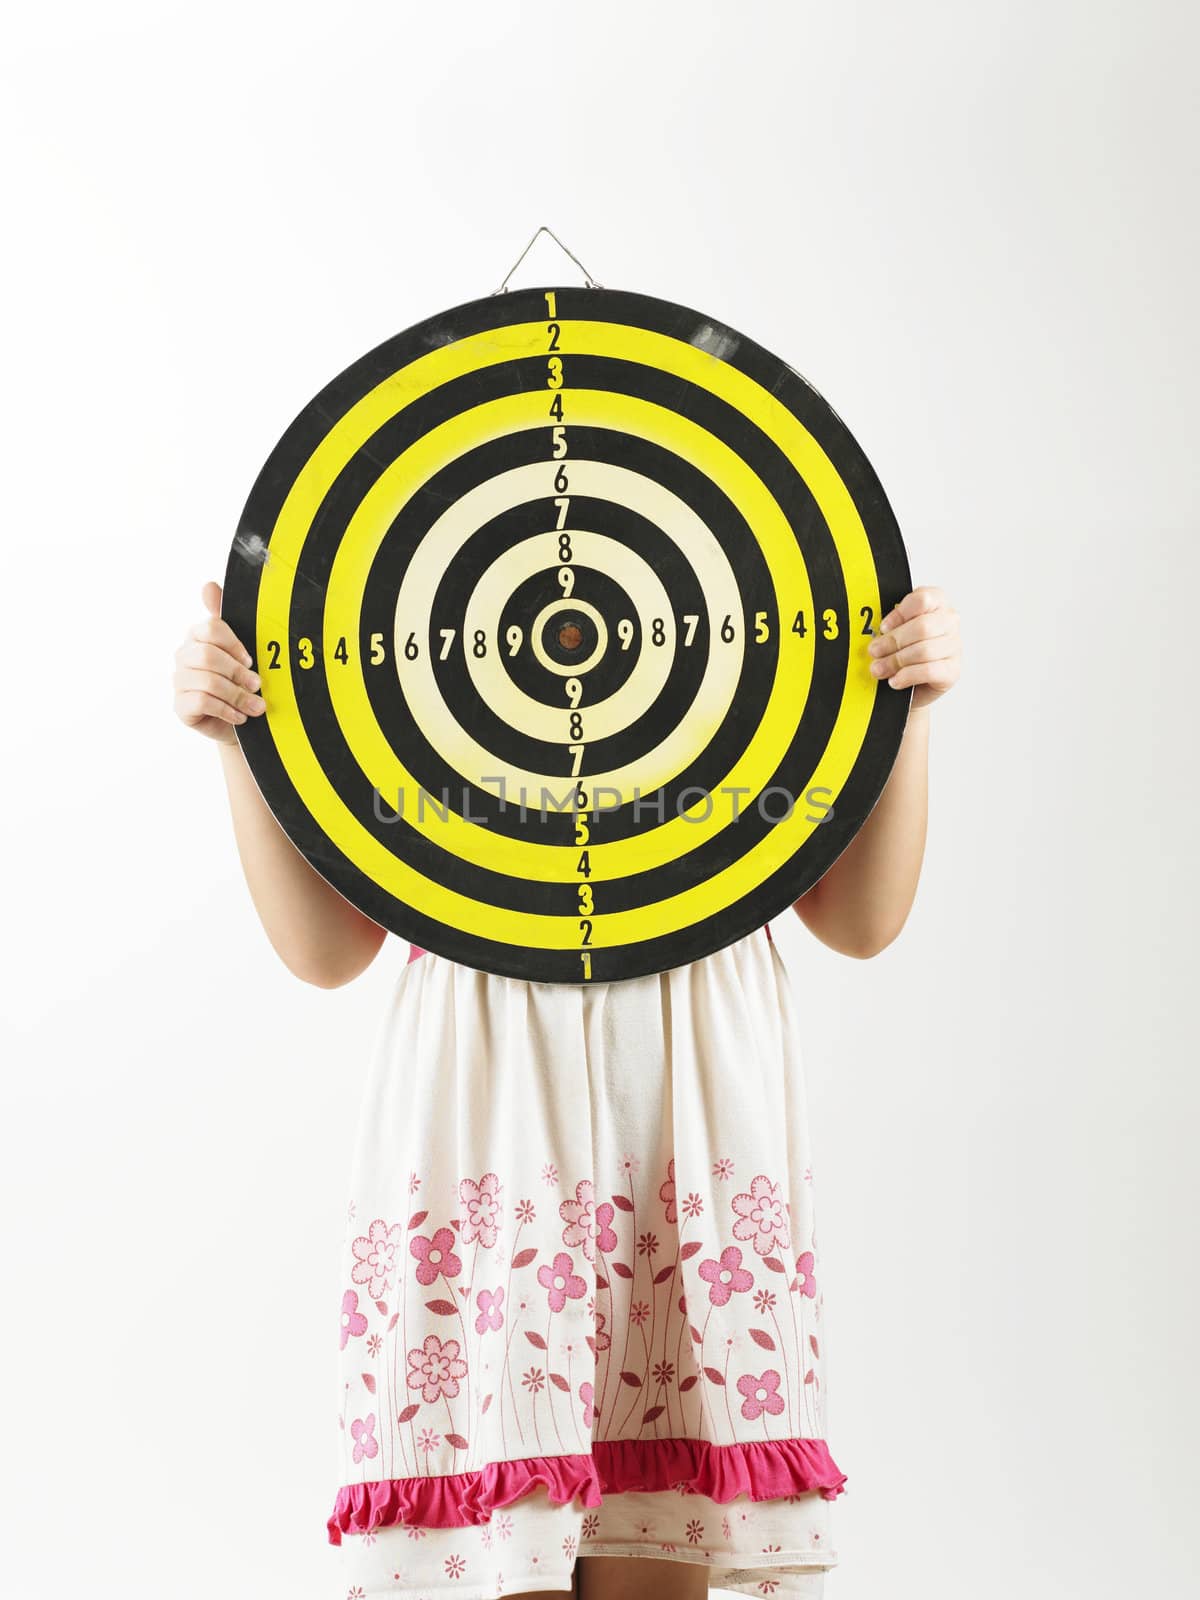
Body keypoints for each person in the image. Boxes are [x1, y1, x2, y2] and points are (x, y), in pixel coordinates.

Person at [173, 578, 961, 1600]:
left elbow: (861, 918)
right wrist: (243, 735)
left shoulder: (756, 580)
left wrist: (905, 710)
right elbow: (326, 949)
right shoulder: (407, 599)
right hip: (493, 1101)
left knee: (654, 1543)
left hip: (685, 1097)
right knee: (508, 1546)